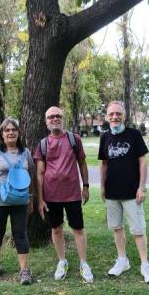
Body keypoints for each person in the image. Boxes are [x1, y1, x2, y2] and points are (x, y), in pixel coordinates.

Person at [98, 101, 149, 284]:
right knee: (116, 227)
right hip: (112, 192)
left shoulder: (134, 134)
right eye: (111, 114)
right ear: (107, 117)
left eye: (118, 113)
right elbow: (104, 164)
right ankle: (122, 260)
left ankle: (145, 265)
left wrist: (142, 186)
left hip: (132, 192)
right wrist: (102, 187)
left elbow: (143, 162)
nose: (115, 117)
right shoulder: (105, 137)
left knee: (138, 230)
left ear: (124, 115)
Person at [34, 106, 94, 283]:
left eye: (57, 116)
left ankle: (84, 263)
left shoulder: (73, 139)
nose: (54, 119)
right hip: (51, 196)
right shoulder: (43, 144)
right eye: (50, 117)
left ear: (63, 118)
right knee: (56, 229)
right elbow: (40, 173)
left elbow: (82, 163)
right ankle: (62, 261)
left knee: (78, 229)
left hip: (73, 194)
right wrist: (41, 198)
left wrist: (86, 186)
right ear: (46, 122)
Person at [0, 117, 33, 285]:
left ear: (18, 133)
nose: (11, 132)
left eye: (14, 130)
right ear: (1, 133)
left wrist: (30, 199)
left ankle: (24, 270)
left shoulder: (26, 152)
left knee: (21, 235)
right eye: (7, 130)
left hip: (20, 202)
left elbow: (29, 176)